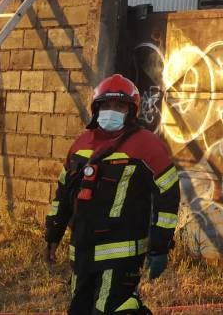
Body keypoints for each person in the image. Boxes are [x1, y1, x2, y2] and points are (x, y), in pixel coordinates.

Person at [44, 74, 180, 314]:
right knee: (79, 309)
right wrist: (53, 233)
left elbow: (168, 194)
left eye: (119, 106)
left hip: (121, 253)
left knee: (111, 310)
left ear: (131, 110)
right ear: (96, 109)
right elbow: (63, 194)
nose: (111, 111)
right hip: (83, 252)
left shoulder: (147, 145)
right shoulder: (81, 144)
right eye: (106, 105)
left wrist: (160, 246)